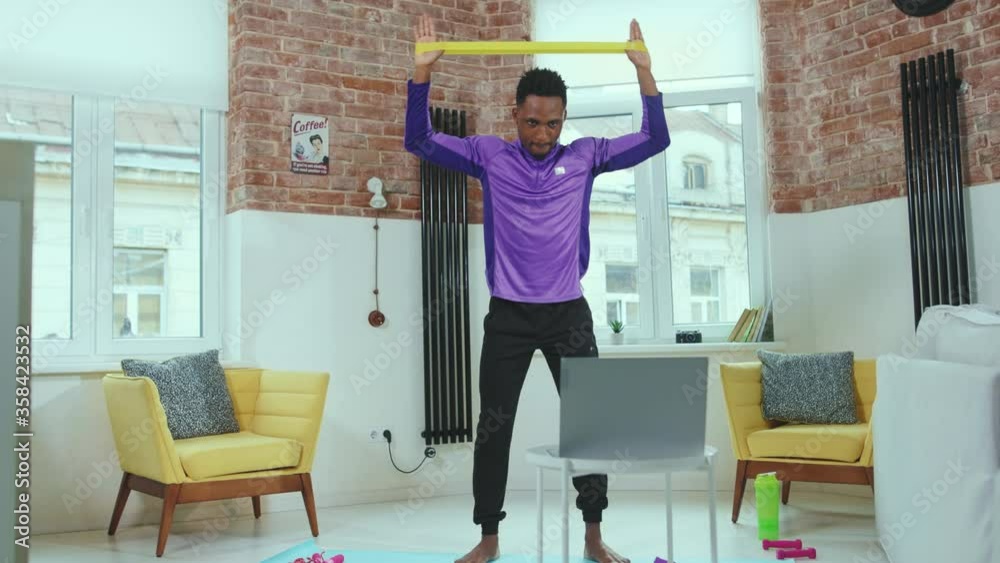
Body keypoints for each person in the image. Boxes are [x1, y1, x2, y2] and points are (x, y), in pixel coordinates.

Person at [403, 15, 669, 563]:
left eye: (551, 124)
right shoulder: (489, 155)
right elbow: (419, 139)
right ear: (514, 116)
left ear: (564, 119)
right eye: (531, 123)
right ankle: (488, 538)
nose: (541, 135)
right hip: (509, 317)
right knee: (493, 428)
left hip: (568, 315)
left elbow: (654, 138)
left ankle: (593, 536)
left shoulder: (586, 155)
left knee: (589, 427)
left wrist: (644, 72)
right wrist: (422, 73)